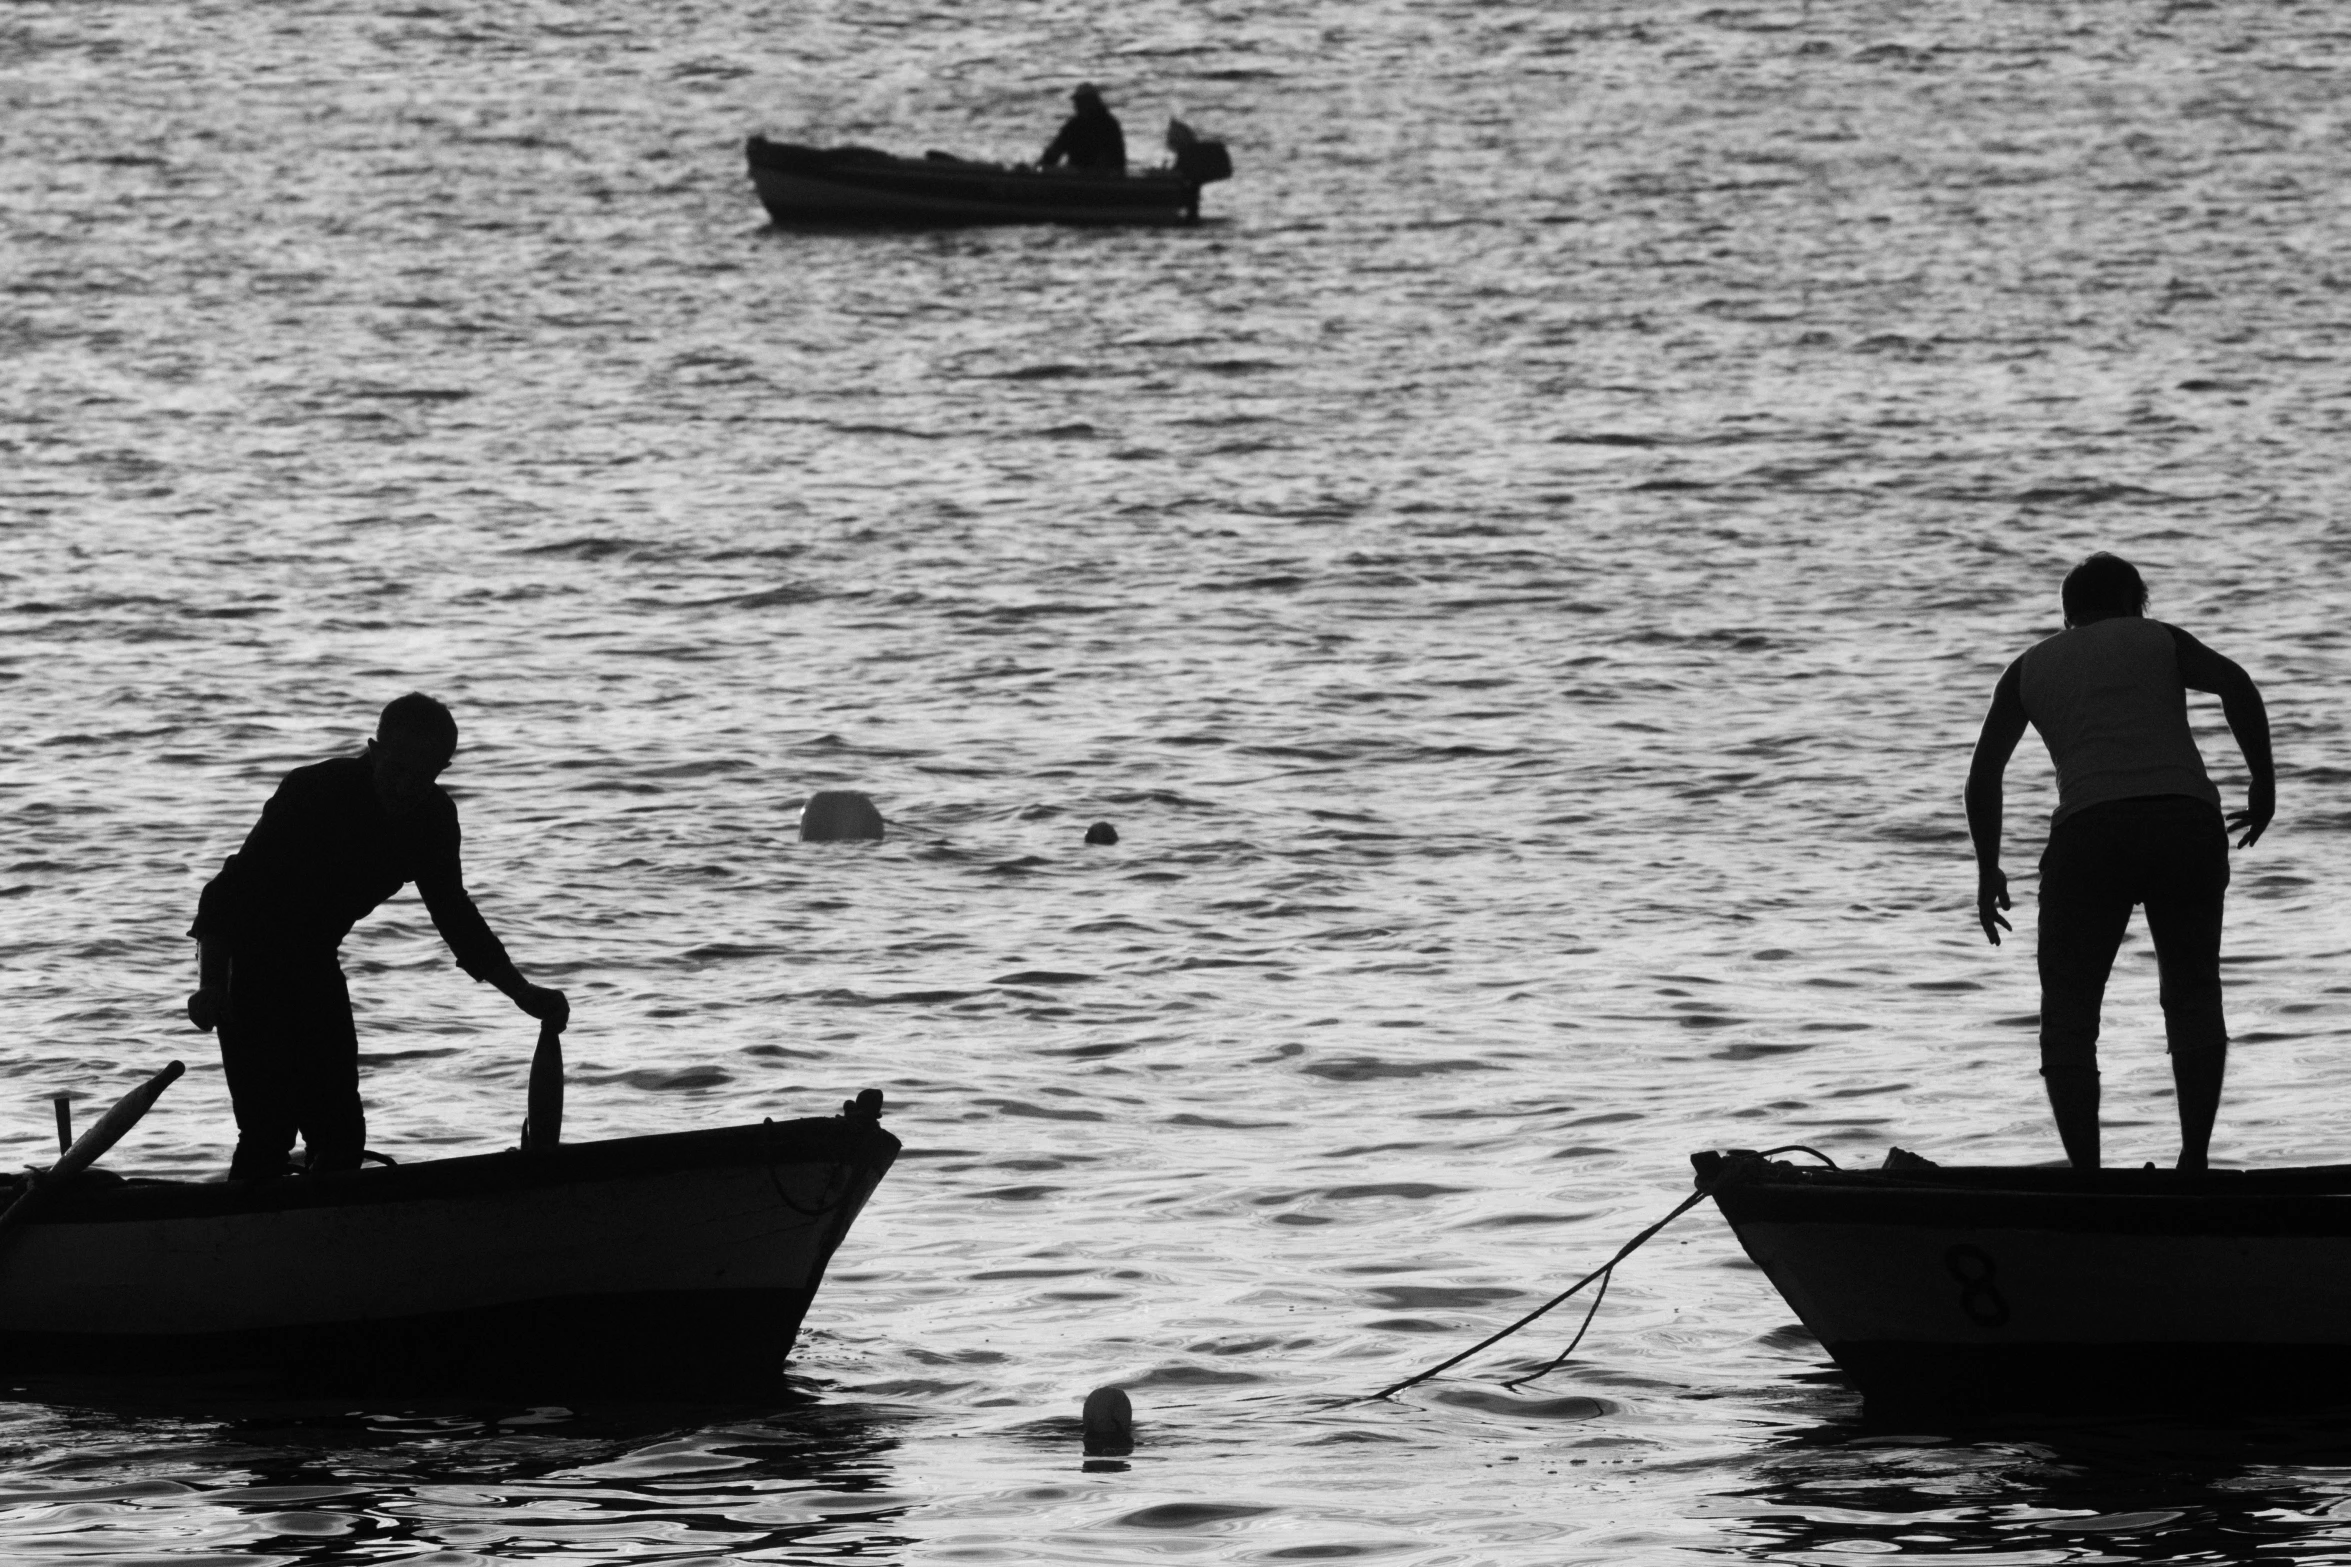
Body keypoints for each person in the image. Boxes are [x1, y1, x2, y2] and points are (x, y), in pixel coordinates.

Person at [1965, 552, 2274, 1172]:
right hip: (2184, 823)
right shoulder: (2158, 639)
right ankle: (2194, 1162)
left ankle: (2086, 1175)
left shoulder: (2029, 667)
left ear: (2068, 613)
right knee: (2191, 994)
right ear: (2137, 602)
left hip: (2089, 836)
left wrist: (1988, 867)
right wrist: (2262, 785)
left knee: (2070, 1012)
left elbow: (1984, 774)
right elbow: (2237, 684)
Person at [186, 694, 569, 1179]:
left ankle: (330, 1238)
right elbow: (226, 896)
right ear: (373, 749)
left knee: (342, 1136)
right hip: (247, 964)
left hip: (315, 964)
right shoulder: (315, 791)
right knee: (267, 1134)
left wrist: (523, 993)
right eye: (396, 769)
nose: (406, 787)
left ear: (442, 769)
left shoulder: (431, 820)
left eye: (423, 775)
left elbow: (456, 918)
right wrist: (211, 985)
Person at [1040, 83, 1126, 173]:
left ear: (1092, 101)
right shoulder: (1073, 125)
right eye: (1077, 102)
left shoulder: (1108, 126)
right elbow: (1056, 150)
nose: (1076, 105)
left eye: (1080, 101)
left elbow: (1115, 160)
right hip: (1076, 177)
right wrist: (1042, 165)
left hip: (1102, 179)